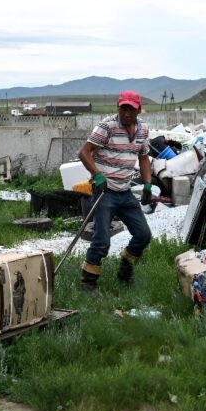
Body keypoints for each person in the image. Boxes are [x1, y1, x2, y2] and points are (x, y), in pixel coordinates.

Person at [78, 90, 153, 291]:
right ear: (118, 107)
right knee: (102, 241)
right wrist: (97, 175)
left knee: (143, 235)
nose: (126, 112)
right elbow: (84, 152)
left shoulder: (143, 130)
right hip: (105, 192)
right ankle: (88, 284)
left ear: (138, 110)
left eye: (131, 108)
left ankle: (125, 271)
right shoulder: (107, 126)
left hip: (125, 192)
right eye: (123, 108)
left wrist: (147, 184)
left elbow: (144, 157)